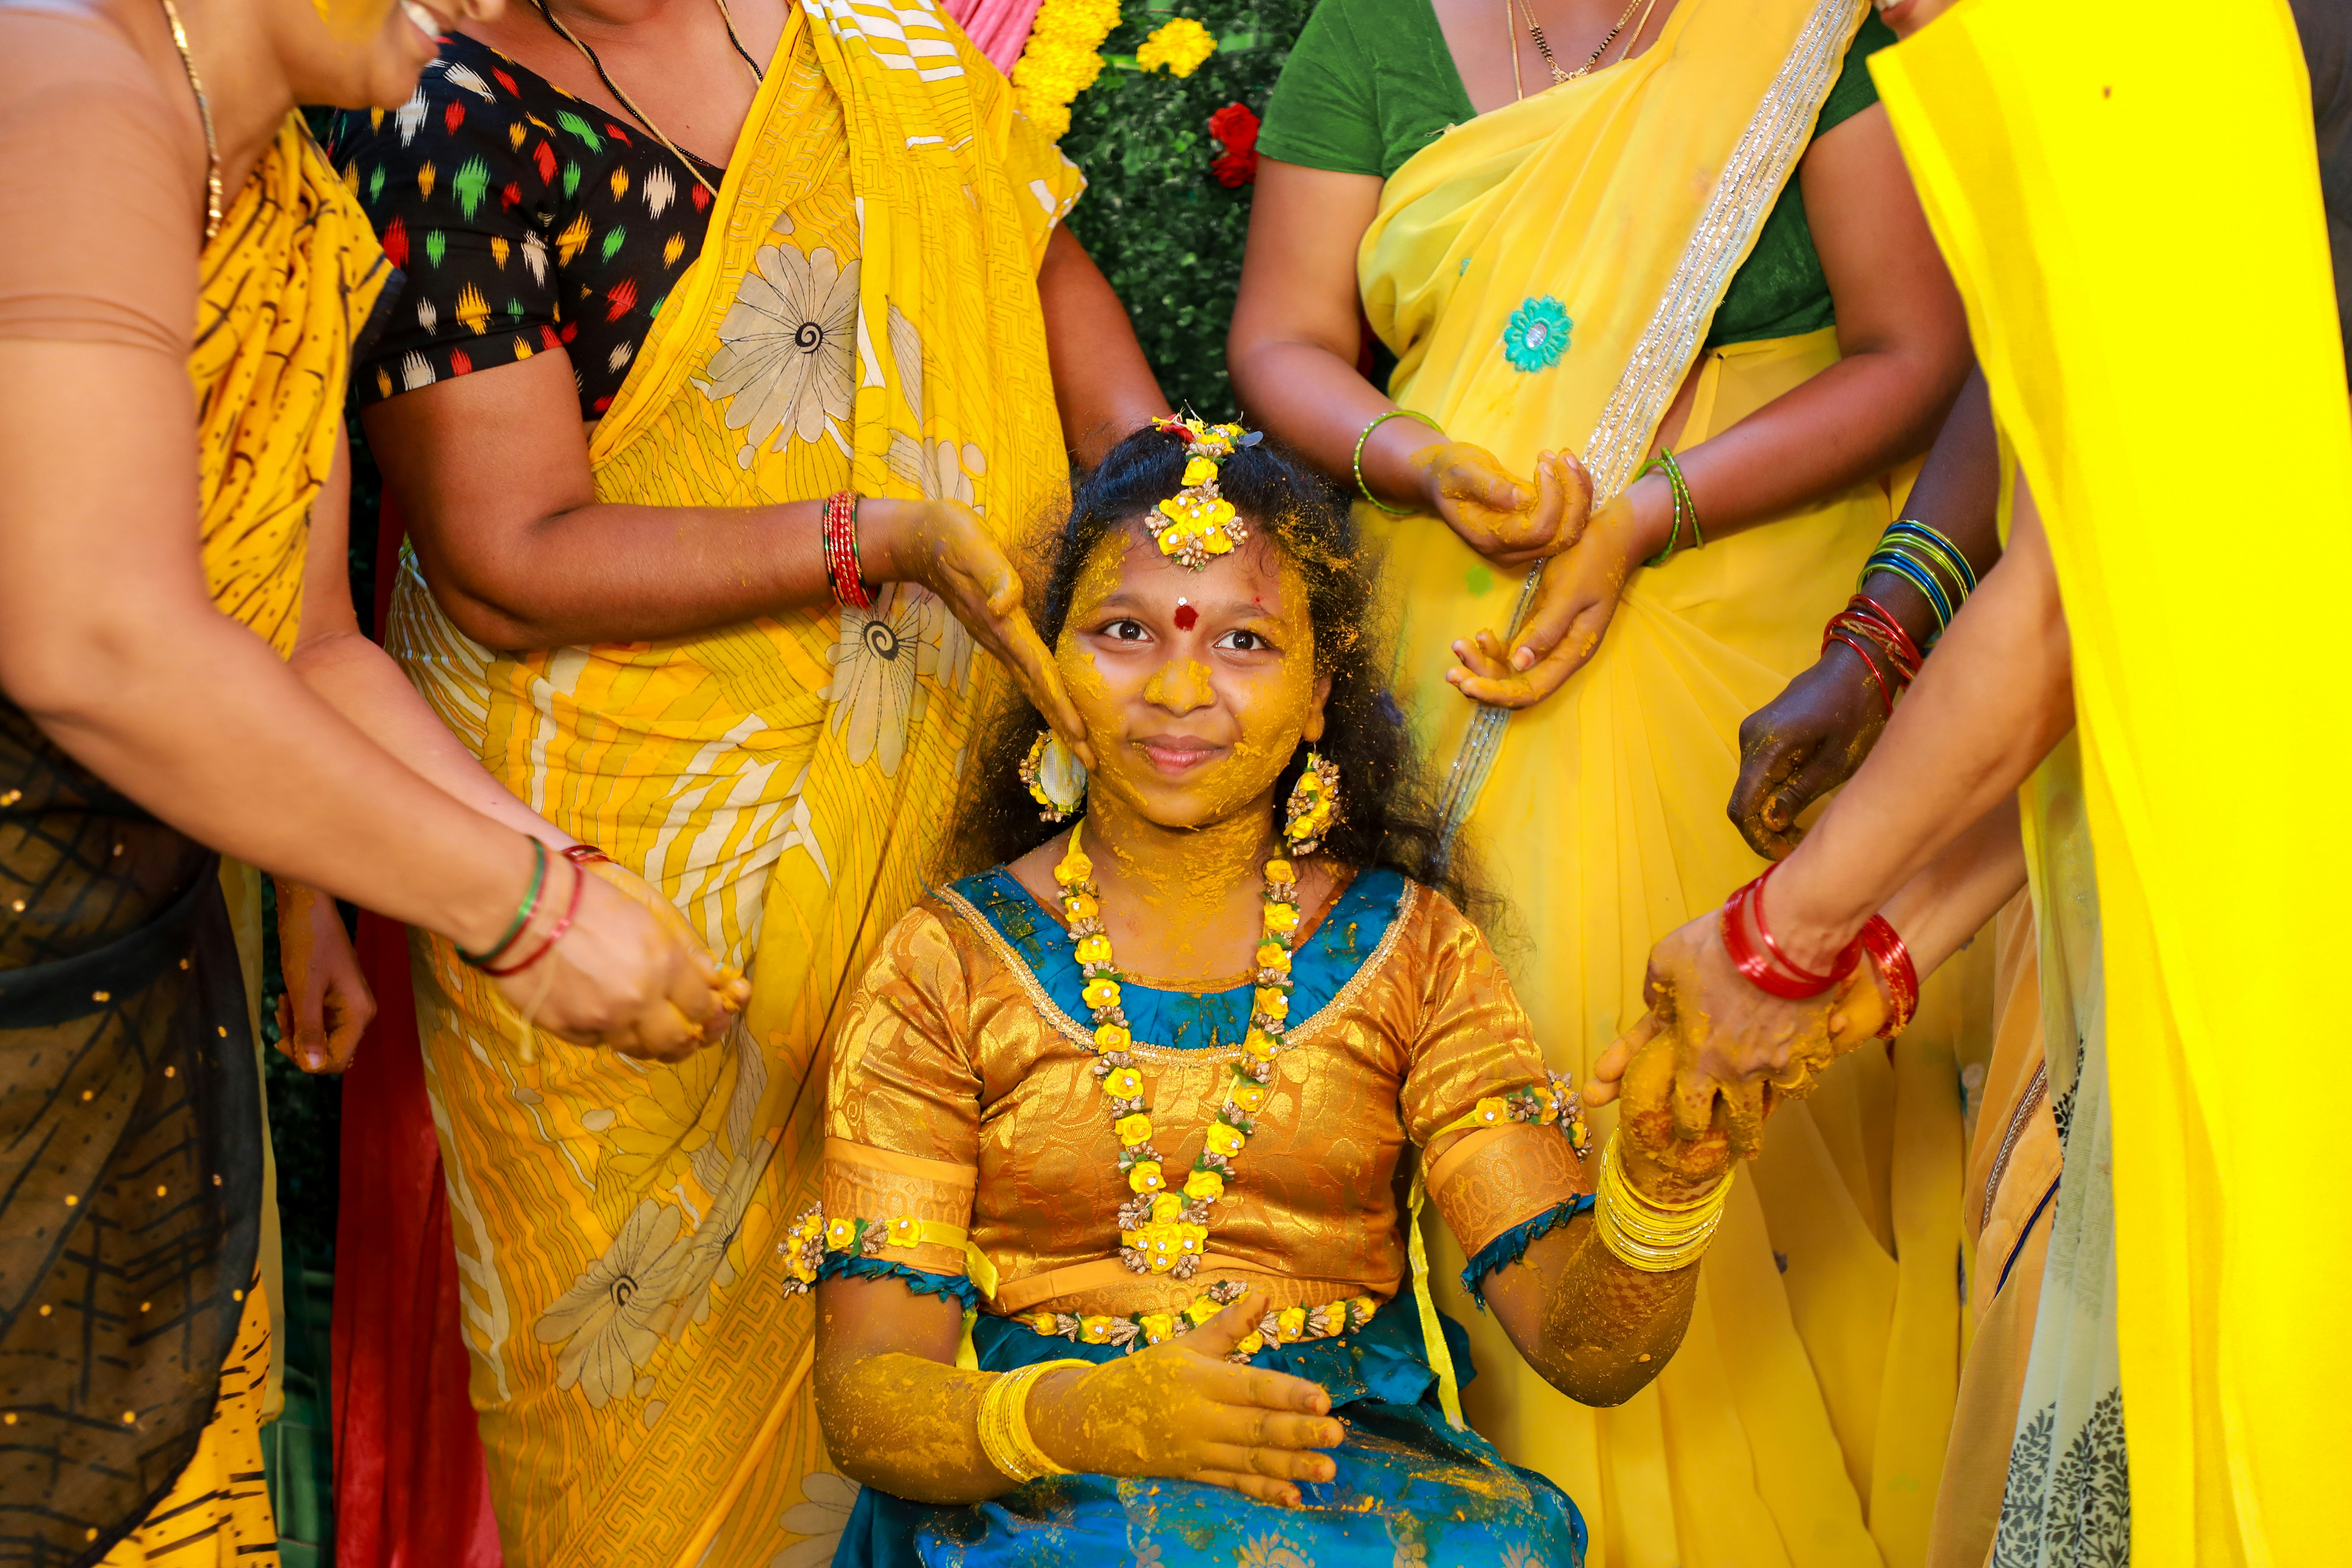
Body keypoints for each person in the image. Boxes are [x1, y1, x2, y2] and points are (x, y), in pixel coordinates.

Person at [319, 0, 1169, 1555]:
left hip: (962, 809)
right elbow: (505, 558)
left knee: (994, 1372)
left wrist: (1169, 500)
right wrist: (873, 539)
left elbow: (1034, 266)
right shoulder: (438, 107)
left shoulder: (876, 50)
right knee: (660, 1460)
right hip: (639, 888)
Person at [1599, 0, 2352, 1562]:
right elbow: (2146, 656)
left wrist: (1779, 939)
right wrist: (1864, 961)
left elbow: (2085, 604)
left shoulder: (2158, 49)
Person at [1225, 0, 1976, 1556]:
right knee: (1512, 1066)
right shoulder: (1368, 34)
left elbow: (1916, 355)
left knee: (1764, 1085)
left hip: (1764, 653)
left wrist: (1644, 514)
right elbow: (1284, 339)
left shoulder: (1800, 30)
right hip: (1457, 633)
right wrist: (1416, 458)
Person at [0, 0, 738, 1558]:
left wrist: (569, 868)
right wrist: (519, 908)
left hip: (123, 999)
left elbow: (310, 644)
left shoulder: (294, 201)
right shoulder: (61, 83)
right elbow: (92, 637)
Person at [810, 421, 1758, 1566]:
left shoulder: (1410, 949)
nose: (1176, 686)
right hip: (1030, 1506)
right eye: (1123, 630)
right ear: (1046, 659)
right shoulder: (947, 961)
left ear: (1320, 695)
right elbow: (866, 1402)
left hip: (1346, 1493)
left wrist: (1660, 1189)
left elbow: (1588, 1352)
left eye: (1246, 642)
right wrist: (1089, 1418)